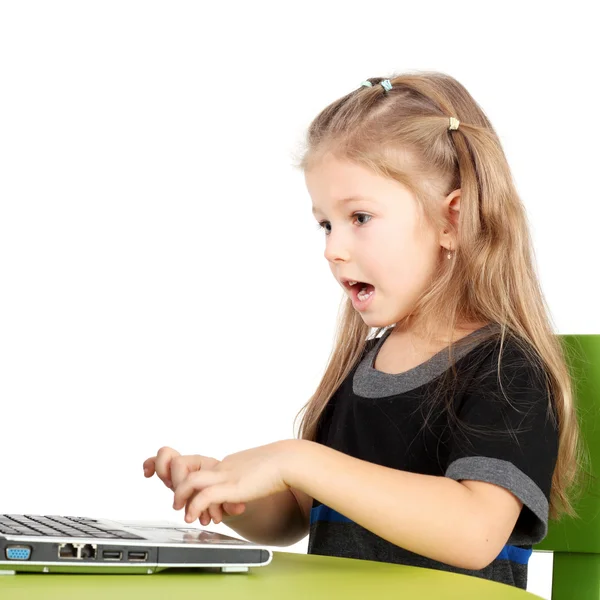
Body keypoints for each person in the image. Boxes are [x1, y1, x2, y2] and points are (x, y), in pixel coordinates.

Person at [143, 71, 581, 590]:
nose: (333, 248)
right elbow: (295, 517)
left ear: (453, 221)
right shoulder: (364, 368)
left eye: (360, 217)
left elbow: (475, 531)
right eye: (325, 224)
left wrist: (297, 459)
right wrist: (229, 490)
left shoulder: (505, 369)